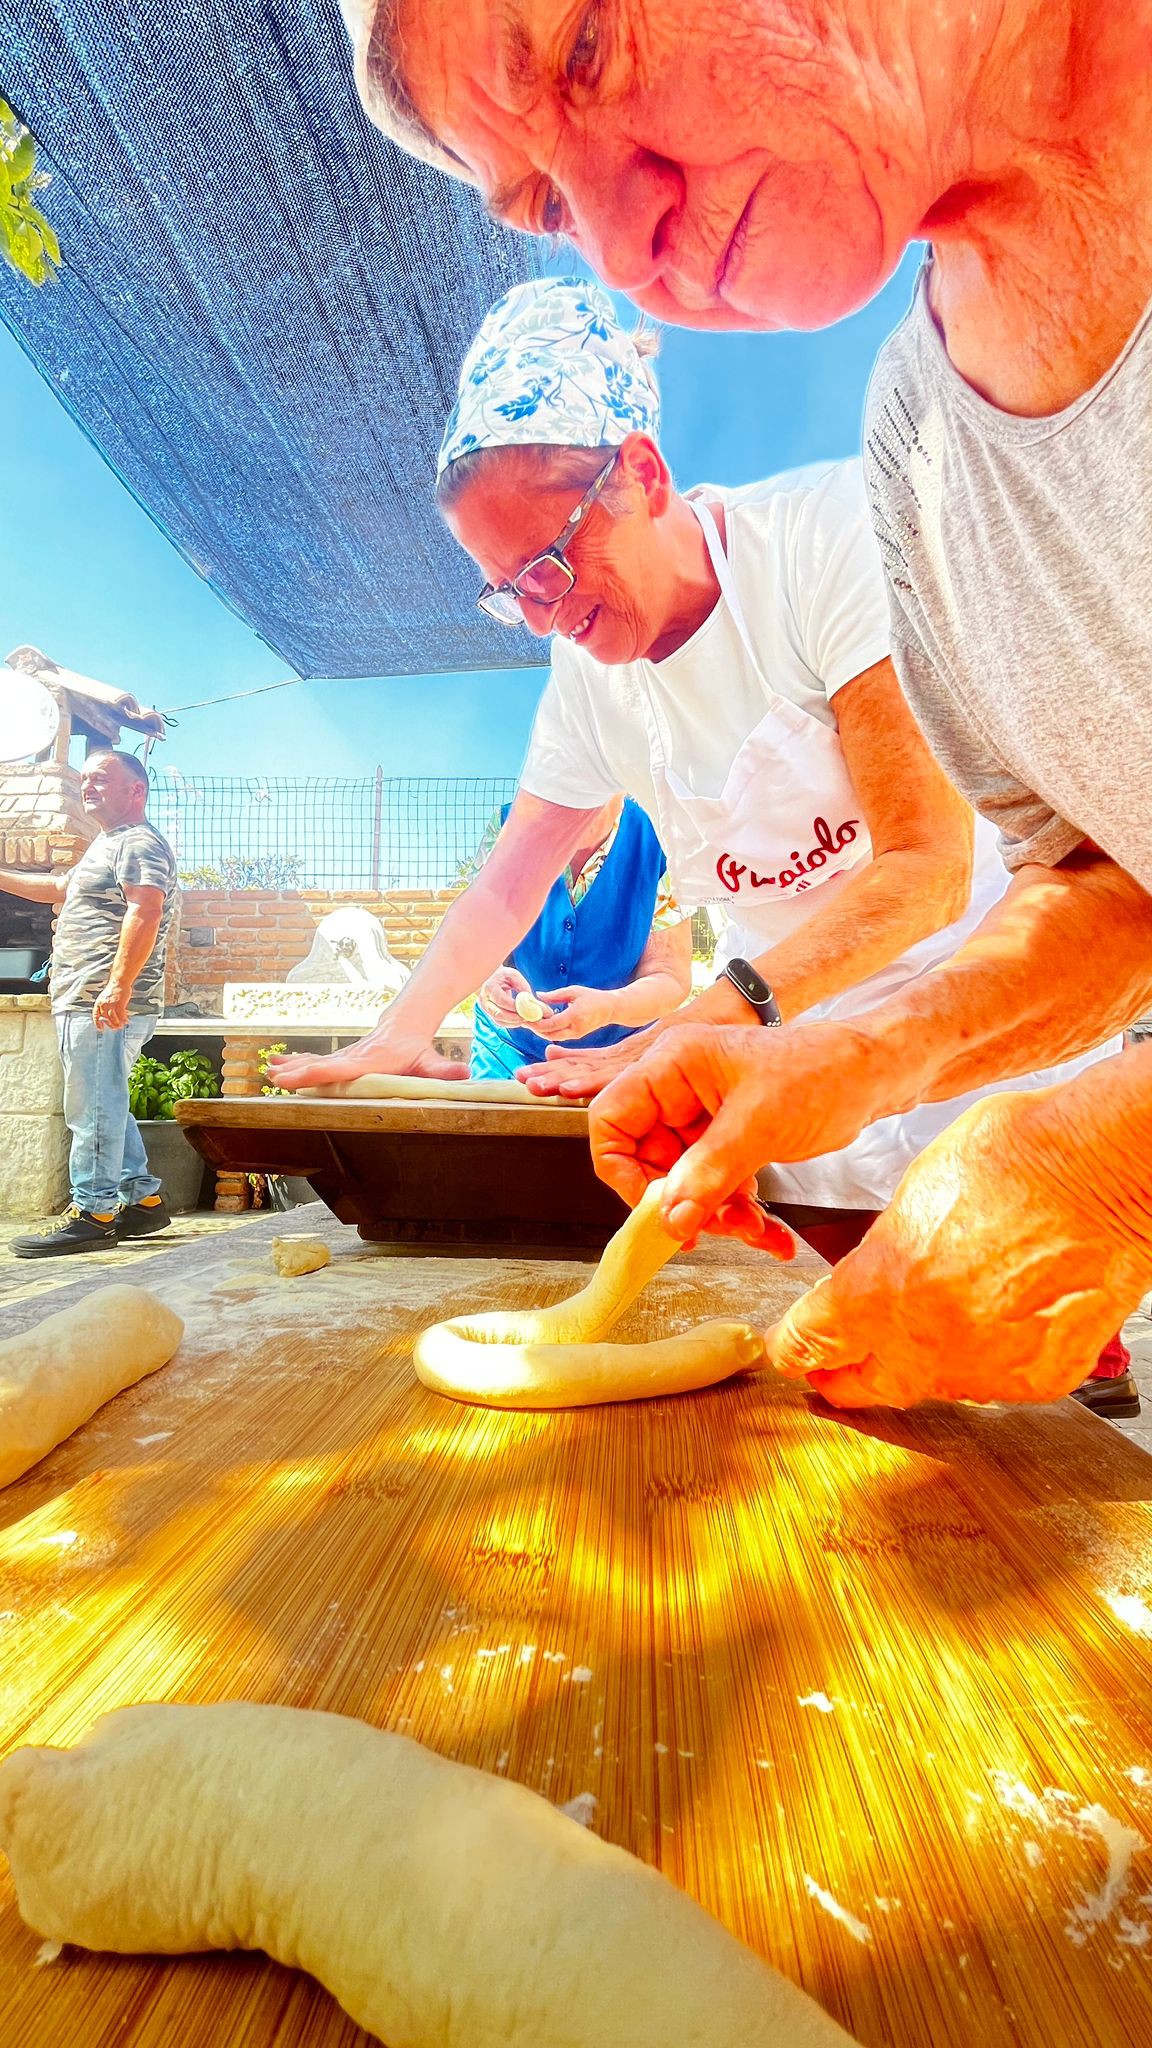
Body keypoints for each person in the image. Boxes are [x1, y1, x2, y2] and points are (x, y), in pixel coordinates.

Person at [342, 0, 1152, 1409]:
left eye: (587, 46)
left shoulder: (824, 537)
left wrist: (1108, 1162)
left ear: (645, 476)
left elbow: (926, 865)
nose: (613, 239)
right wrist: (842, 1054)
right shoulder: (921, 440)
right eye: (539, 198)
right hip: (921, 1141)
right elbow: (1110, 888)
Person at [2, 750, 177, 1257]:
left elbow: (145, 911)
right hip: (86, 996)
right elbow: (60, 887)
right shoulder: (110, 842)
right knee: (106, 1104)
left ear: (136, 790)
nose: (89, 786)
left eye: (102, 778)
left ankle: (94, 1211)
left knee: (92, 1108)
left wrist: (117, 986)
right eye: (85, 779)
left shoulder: (139, 841)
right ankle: (143, 1202)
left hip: (104, 1001)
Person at [470, 794, 692, 1080]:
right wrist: (487, 978)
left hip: (623, 1056)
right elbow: (475, 943)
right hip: (507, 1052)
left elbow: (670, 976)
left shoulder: (664, 839)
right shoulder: (506, 828)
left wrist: (611, 1007)